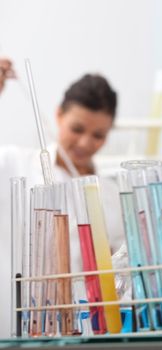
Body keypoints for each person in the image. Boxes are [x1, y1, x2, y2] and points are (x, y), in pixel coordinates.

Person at [0, 72, 125, 336]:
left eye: (98, 135)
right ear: (58, 115)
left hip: (86, 331)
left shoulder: (112, 195)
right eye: (77, 129)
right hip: (16, 324)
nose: (85, 143)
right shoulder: (13, 164)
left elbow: (119, 275)